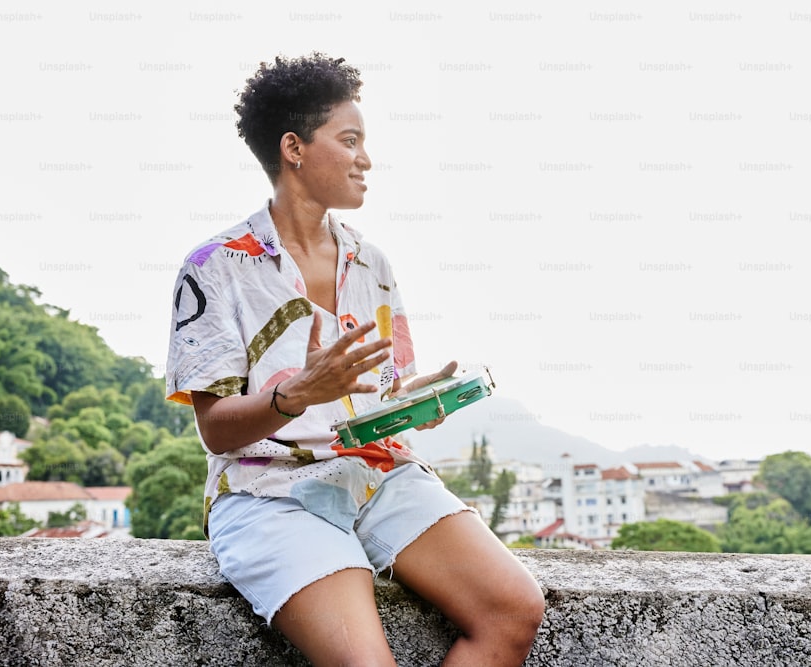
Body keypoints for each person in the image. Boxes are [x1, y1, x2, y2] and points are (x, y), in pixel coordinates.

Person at [165, 53, 545, 666]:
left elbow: (378, 395)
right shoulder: (216, 266)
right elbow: (215, 430)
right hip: (270, 492)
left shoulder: (373, 264)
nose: (366, 159)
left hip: (377, 473)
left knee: (512, 609)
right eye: (350, 140)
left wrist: (411, 403)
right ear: (294, 148)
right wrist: (295, 396)